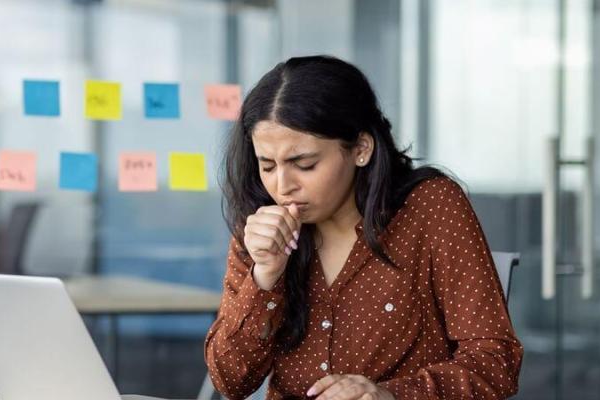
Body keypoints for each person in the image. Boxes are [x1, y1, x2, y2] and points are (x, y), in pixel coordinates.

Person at [204, 55, 523, 400]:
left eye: (305, 164)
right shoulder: (261, 226)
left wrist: (392, 395)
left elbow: (495, 362)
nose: (283, 186)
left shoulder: (430, 206)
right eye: (267, 166)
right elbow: (230, 382)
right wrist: (264, 276)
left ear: (360, 149)